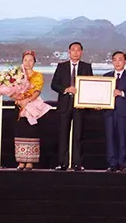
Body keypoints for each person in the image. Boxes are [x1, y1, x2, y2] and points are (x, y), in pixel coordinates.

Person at [51, 42, 93, 171]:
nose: (75, 52)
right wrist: (66, 89)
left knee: (78, 135)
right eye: (73, 50)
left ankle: (77, 163)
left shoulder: (87, 67)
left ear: (82, 52)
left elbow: (91, 84)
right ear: (69, 52)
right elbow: (54, 84)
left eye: (78, 50)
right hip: (64, 104)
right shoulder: (61, 66)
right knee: (63, 135)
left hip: (80, 105)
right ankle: (62, 163)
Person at [14, 50, 53, 170]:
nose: (27, 62)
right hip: (20, 106)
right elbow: (13, 89)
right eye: (25, 60)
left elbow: (37, 91)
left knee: (31, 132)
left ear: (34, 62)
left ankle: (30, 162)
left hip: (33, 106)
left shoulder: (38, 75)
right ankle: (21, 161)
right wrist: (18, 99)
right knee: (20, 132)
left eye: (30, 60)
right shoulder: (17, 75)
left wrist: (28, 100)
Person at [103, 51, 126, 172]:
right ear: (112, 61)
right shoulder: (106, 76)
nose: (117, 62)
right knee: (110, 138)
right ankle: (112, 164)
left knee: (123, 138)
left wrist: (122, 93)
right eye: (115, 59)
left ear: (125, 62)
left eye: (120, 59)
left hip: (124, 112)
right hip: (109, 112)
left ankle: (123, 163)